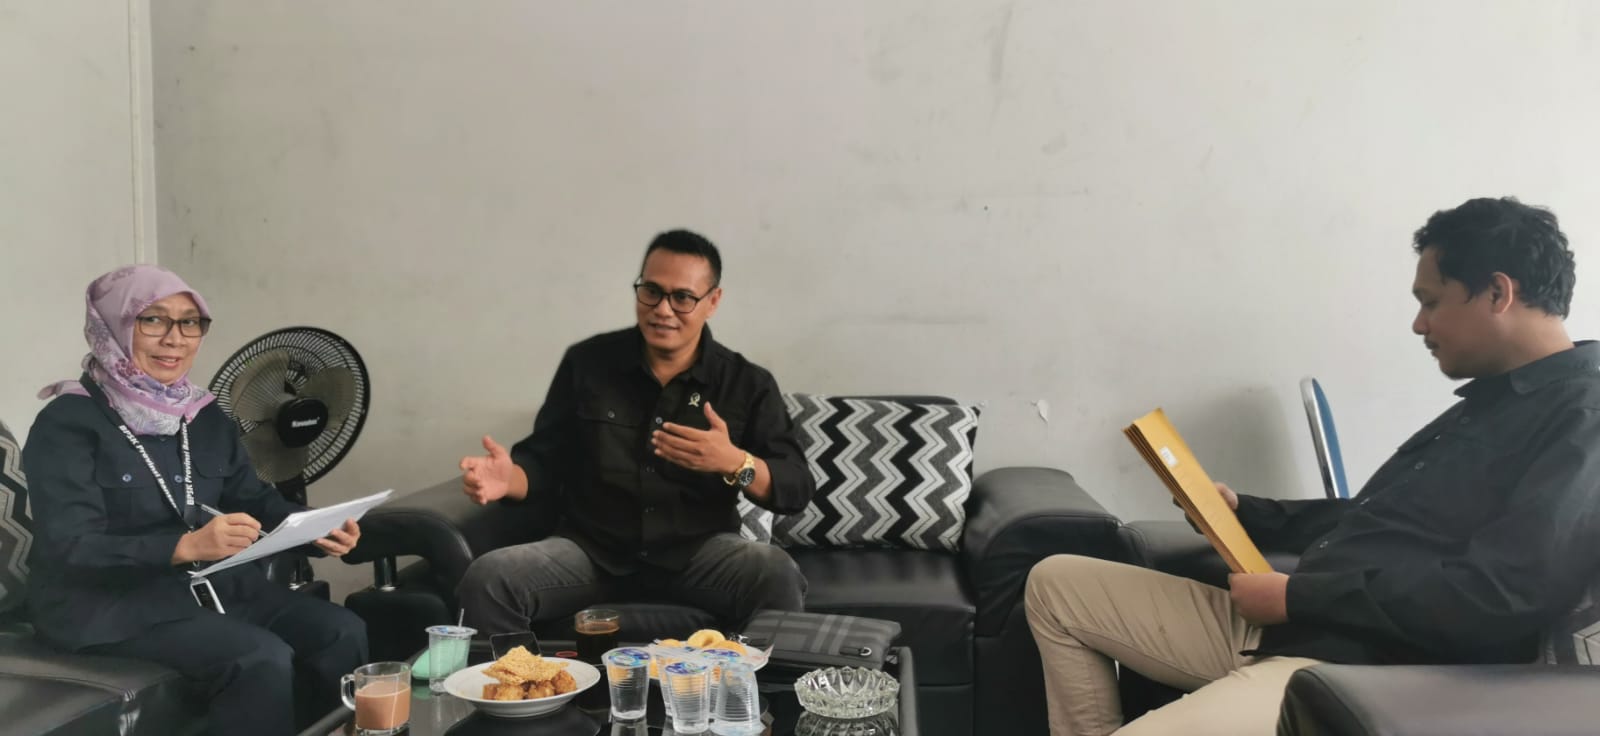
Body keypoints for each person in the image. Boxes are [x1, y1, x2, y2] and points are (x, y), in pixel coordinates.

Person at [1025, 197, 1600, 735]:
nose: (1419, 325)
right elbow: (1378, 520)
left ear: (1497, 293)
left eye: (1430, 302)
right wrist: (1245, 514)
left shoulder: (1581, 416)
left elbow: (1500, 595)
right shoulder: (1494, 398)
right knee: (1057, 584)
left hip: (1356, 667)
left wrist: (1298, 598)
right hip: (1297, 625)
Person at [25, 265, 368, 736]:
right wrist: (183, 547)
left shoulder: (203, 416)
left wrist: (316, 529)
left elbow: (252, 498)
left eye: (190, 322)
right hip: (107, 607)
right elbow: (71, 545)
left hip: (206, 586)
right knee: (258, 658)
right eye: (153, 320)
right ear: (113, 326)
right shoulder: (67, 423)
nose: (175, 339)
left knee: (340, 631)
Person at [455, 229, 814, 635]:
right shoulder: (588, 363)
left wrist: (734, 462)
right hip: (591, 552)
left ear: (713, 301)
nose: (662, 309)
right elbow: (544, 462)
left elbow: (795, 487)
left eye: (682, 297)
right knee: (490, 578)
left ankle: (763, 681)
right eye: (651, 291)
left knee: (774, 572)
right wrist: (509, 479)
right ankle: (522, 677)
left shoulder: (746, 383)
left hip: (699, 554)